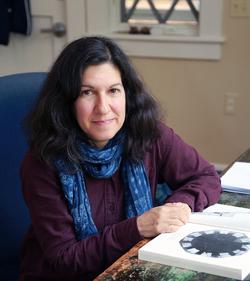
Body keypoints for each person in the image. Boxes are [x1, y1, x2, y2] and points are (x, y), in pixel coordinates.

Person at [20, 36, 221, 281]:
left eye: (113, 90)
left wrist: (177, 207)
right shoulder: (42, 162)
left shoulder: (149, 134)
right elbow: (65, 258)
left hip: (134, 269)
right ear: (66, 101)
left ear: (127, 93)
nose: (103, 107)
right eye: (87, 92)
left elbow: (205, 176)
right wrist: (137, 227)